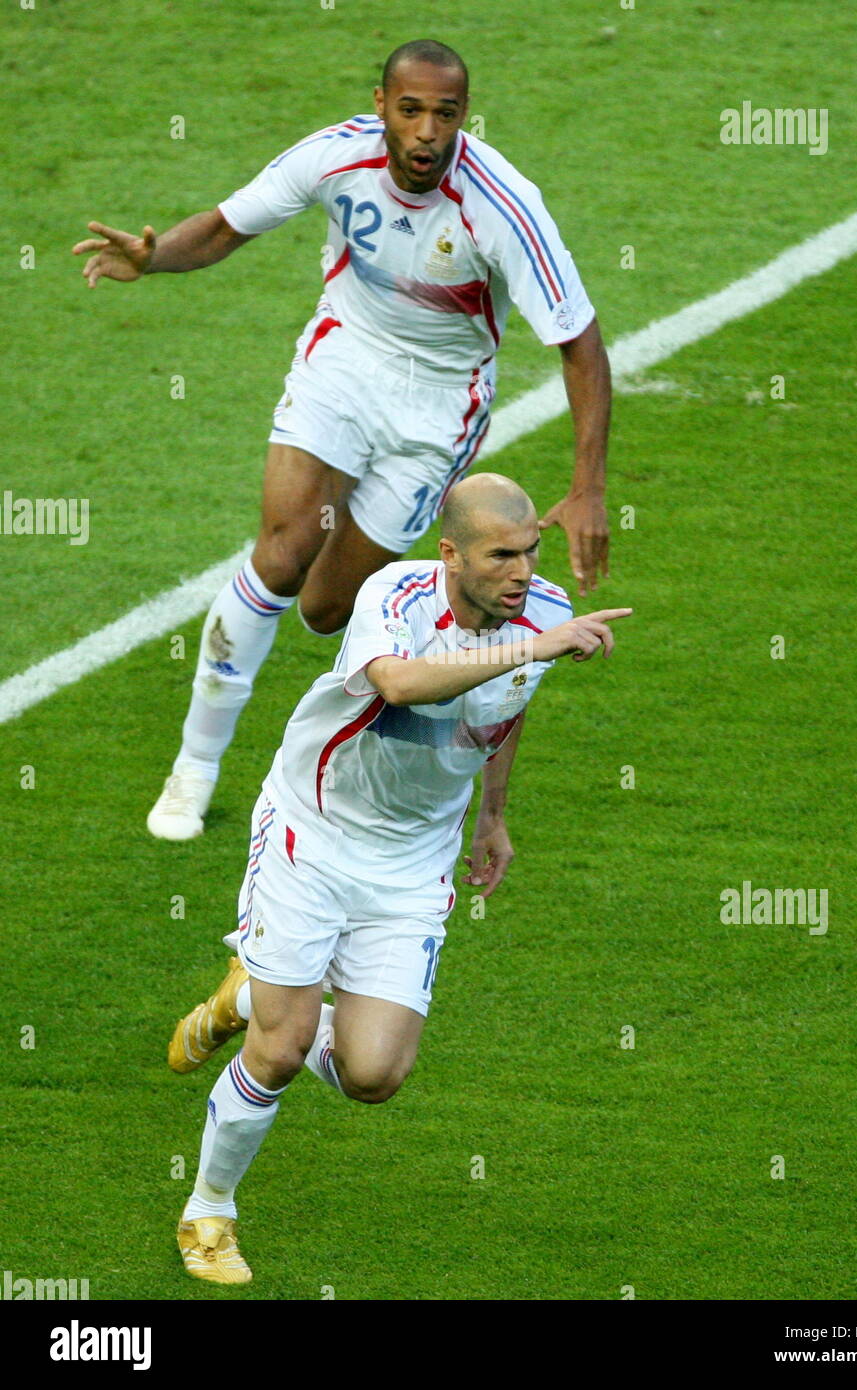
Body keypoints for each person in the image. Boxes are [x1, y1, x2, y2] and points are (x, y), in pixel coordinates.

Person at [72, 38, 613, 842]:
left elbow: (580, 344)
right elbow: (225, 227)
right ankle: (195, 764)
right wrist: (154, 260)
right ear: (380, 107)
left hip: (436, 411)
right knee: (284, 550)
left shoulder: (501, 203)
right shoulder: (335, 157)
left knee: (326, 610)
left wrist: (590, 486)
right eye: (410, 110)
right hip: (342, 363)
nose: (428, 131)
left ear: (465, 116)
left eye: (446, 113)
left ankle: (344, 656)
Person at [166, 473, 630, 1284]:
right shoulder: (399, 593)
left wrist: (492, 815)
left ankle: (245, 995)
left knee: (373, 1075)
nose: (521, 572)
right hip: (313, 833)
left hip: (412, 862)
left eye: (530, 552)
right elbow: (397, 684)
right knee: (283, 1050)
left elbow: (502, 712)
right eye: (501, 556)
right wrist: (531, 646)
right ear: (451, 554)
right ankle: (209, 1211)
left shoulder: (547, 611)